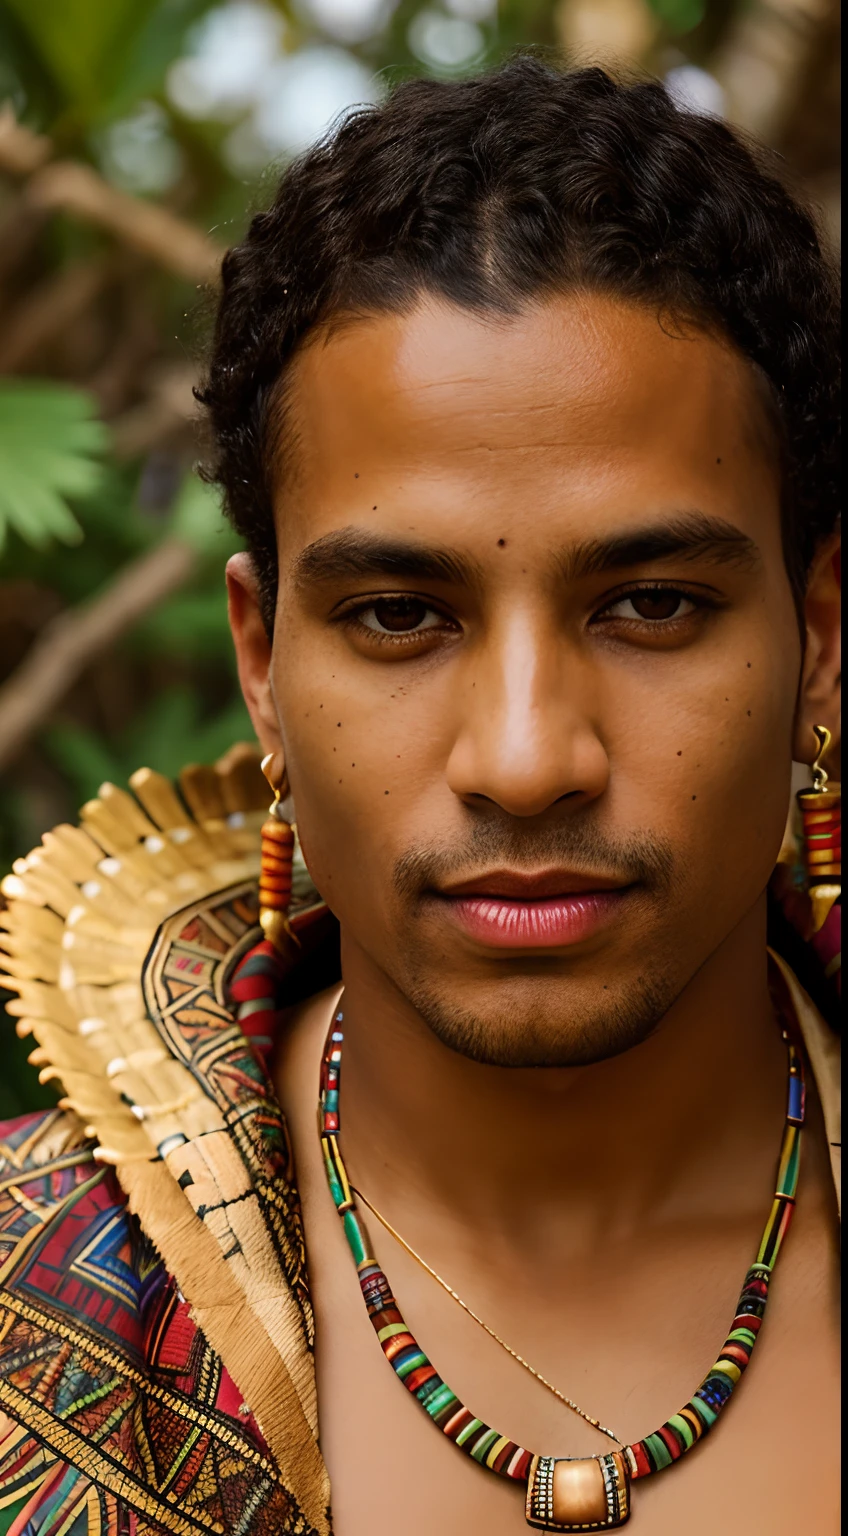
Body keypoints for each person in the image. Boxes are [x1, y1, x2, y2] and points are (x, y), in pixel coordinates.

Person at [0, 57, 840, 1536]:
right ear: (262, 662)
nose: (524, 760)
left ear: (820, 639)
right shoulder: (29, 1292)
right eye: (400, 615)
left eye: (649, 604)